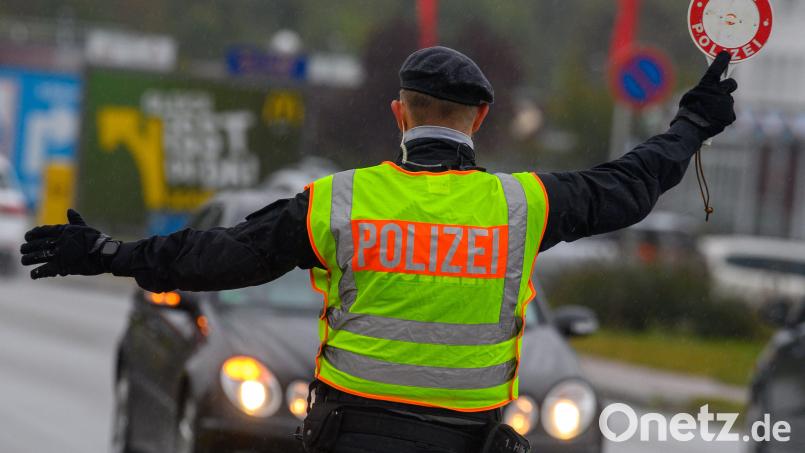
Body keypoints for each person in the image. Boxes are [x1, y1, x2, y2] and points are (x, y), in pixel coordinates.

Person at [20, 47, 738, 453]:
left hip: (352, 439)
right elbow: (633, 184)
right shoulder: (524, 206)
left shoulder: (338, 201)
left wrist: (109, 252)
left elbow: (217, 255)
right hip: (467, 445)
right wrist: (691, 123)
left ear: (399, 113)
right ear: (480, 120)